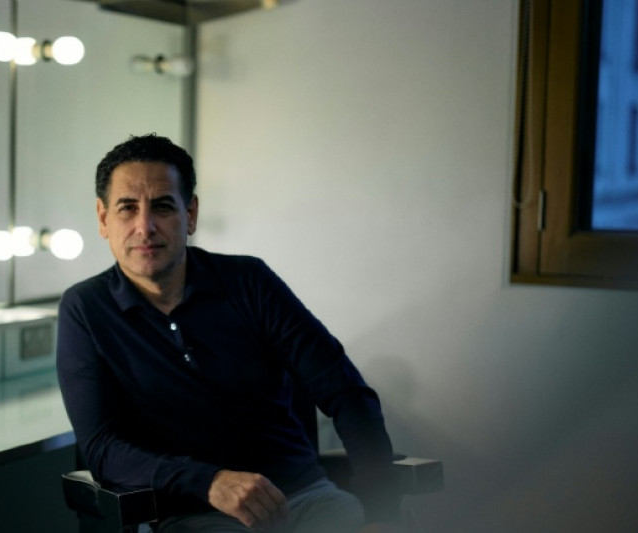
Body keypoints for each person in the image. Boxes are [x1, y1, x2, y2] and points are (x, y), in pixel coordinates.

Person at [56, 134, 403, 532]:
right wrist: (210, 482)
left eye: (163, 206)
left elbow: (346, 392)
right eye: (127, 208)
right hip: (195, 514)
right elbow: (103, 449)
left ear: (190, 214)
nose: (145, 226)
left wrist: (383, 512)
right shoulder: (85, 308)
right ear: (103, 219)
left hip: (305, 500)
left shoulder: (249, 281)